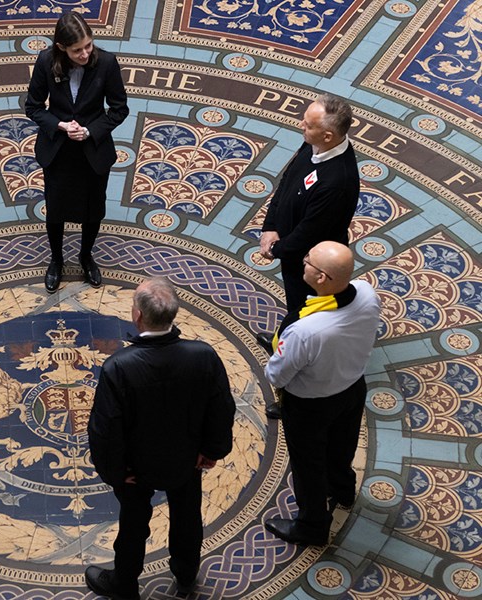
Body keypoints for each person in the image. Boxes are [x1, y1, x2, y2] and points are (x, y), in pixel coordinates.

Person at [86, 277, 236, 599]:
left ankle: (125, 583)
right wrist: (211, 450)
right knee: (187, 515)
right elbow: (221, 406)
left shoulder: (119, 367)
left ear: (137, 315)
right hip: (187, 459)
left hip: (135, 470)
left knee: (133, 524)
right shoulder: (203, 355)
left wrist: (115, 472)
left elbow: (105, 429)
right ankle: (186, 572)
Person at [263, 242, 379, 546]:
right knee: (343, 444)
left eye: (308, 261)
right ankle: (342, 490)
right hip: (353, 388)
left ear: (322, 279)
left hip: (310, 405)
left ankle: (312, 526)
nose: (303, 262)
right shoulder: (367, 293)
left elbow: (277, 374)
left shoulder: (306, 330)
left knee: (308, 465)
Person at [256, 93, 359, 418]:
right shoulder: (313, 144)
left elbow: (309, 234)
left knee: (304, 321)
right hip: (294, 253)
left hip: (314, 265)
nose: (301, 125)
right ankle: (279, 341)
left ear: (328, 135)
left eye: (308, 124)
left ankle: (291, 394)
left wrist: (276, 250)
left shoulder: (337, 180)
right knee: (295, 311)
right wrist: (270, 225)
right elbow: (287, 182)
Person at [25, 12, 129, 293]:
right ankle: (56, 260)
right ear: (61, 48)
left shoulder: (106, 62)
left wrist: (90, 131)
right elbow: (33, 106)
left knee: (94, 209)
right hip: (58, 151)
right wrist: (59, 125)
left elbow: (119, 109)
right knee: (56, 209)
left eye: (88, 46)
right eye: (77, 49)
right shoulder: (46, 61)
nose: (85, 53)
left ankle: (86, 256)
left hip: (93, 150)